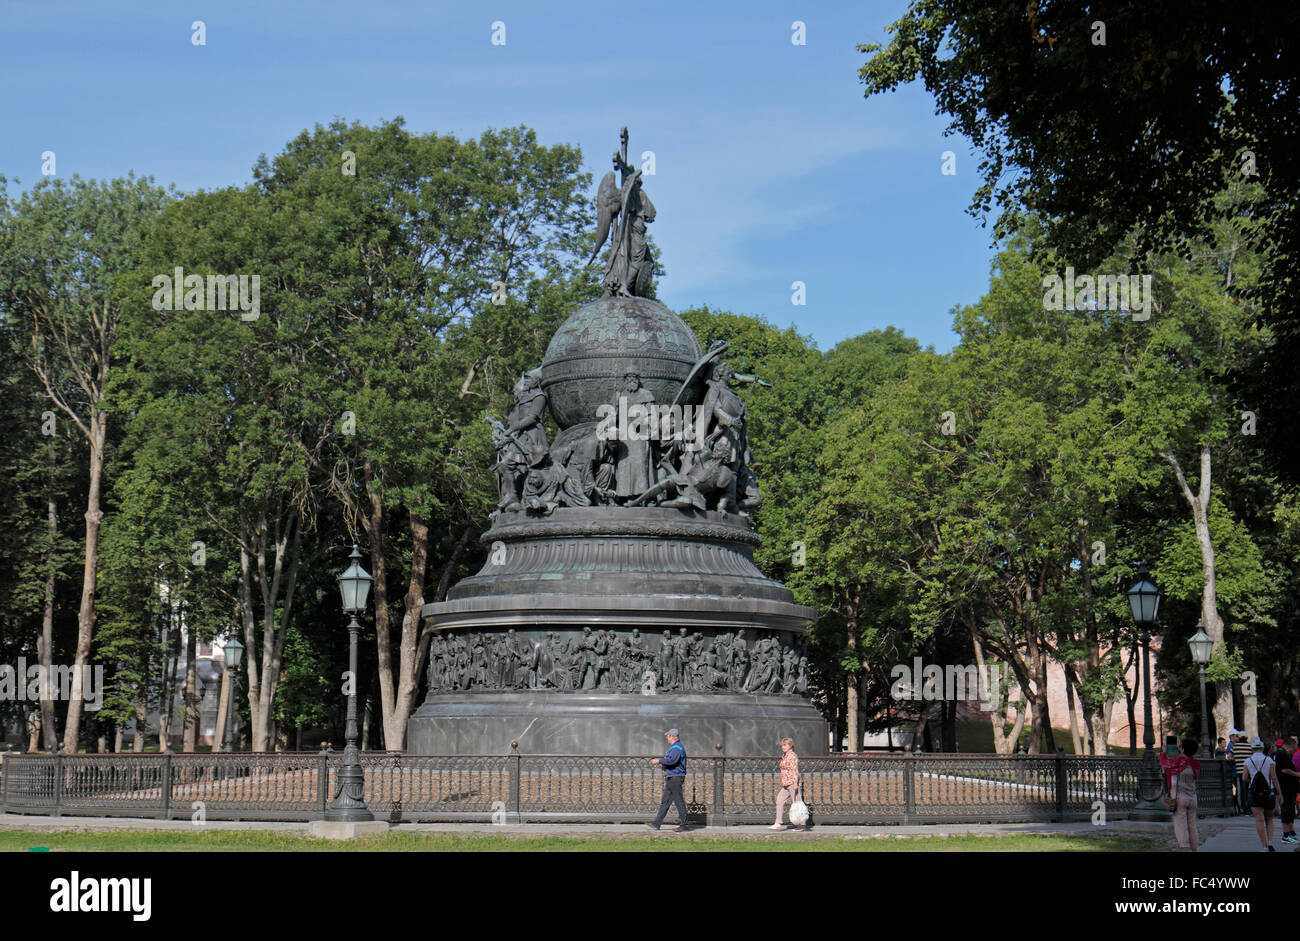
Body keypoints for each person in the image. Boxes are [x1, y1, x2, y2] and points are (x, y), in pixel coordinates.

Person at [1161, 737, 1201, 852]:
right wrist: (1181, 749)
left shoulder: (1178, 762)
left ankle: (1184, 849)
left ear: (1182, 749)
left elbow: (1164, 763)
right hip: (1192, 797)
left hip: (1179, 798)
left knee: (1181, 826)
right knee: (1192, 826)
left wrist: (1164, 752)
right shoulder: (1196, 764)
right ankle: (1195, 849)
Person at [1243, 738, 1283, 851]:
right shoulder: (1269, 760)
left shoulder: (1248, 761)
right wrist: (1280, 793)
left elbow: (1244, 777)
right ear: (1262, 748)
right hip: (1268, 792)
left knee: (1259, 819)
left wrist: (1252, 781)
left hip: (1254, 793)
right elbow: (1274, 778)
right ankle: (1270, 841)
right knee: (1269, 818)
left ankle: (1264, 846)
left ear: (1252, 749)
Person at [648, 728, 689, 831]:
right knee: (665, 801)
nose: (667, 738)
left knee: (678, 801)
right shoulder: (676, 747)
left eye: (668, 736)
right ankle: (656, 823)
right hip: (673, 777)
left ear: (673, 737)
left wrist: (659, 761)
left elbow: (672, 761)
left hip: (675, 777)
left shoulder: (676, 748)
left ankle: (684, 825)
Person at [771, 738, 803, 831]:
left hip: (792, 783)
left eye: (785, 745)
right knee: (779, 801)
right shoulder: (785, 755)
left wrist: (795, 783)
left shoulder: (792, 756)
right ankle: (778, 823)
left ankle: (801, 825)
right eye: (782, 745)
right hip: (786, 783)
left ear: (790, 746)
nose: (783, 747)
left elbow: (795, 770)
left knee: (797, 804)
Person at [1275, 737, 1300, 844]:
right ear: (1290, 746)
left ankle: (1291, 832)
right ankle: (1286, 835)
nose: (1294, 751)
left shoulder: (1286, 754)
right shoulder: (1282, 754)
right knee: (1286, 810)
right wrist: (1297, 774)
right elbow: (1284, 770)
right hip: (1285, 787)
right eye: (1294, 748)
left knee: (1290, 811)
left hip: (1290, 787)